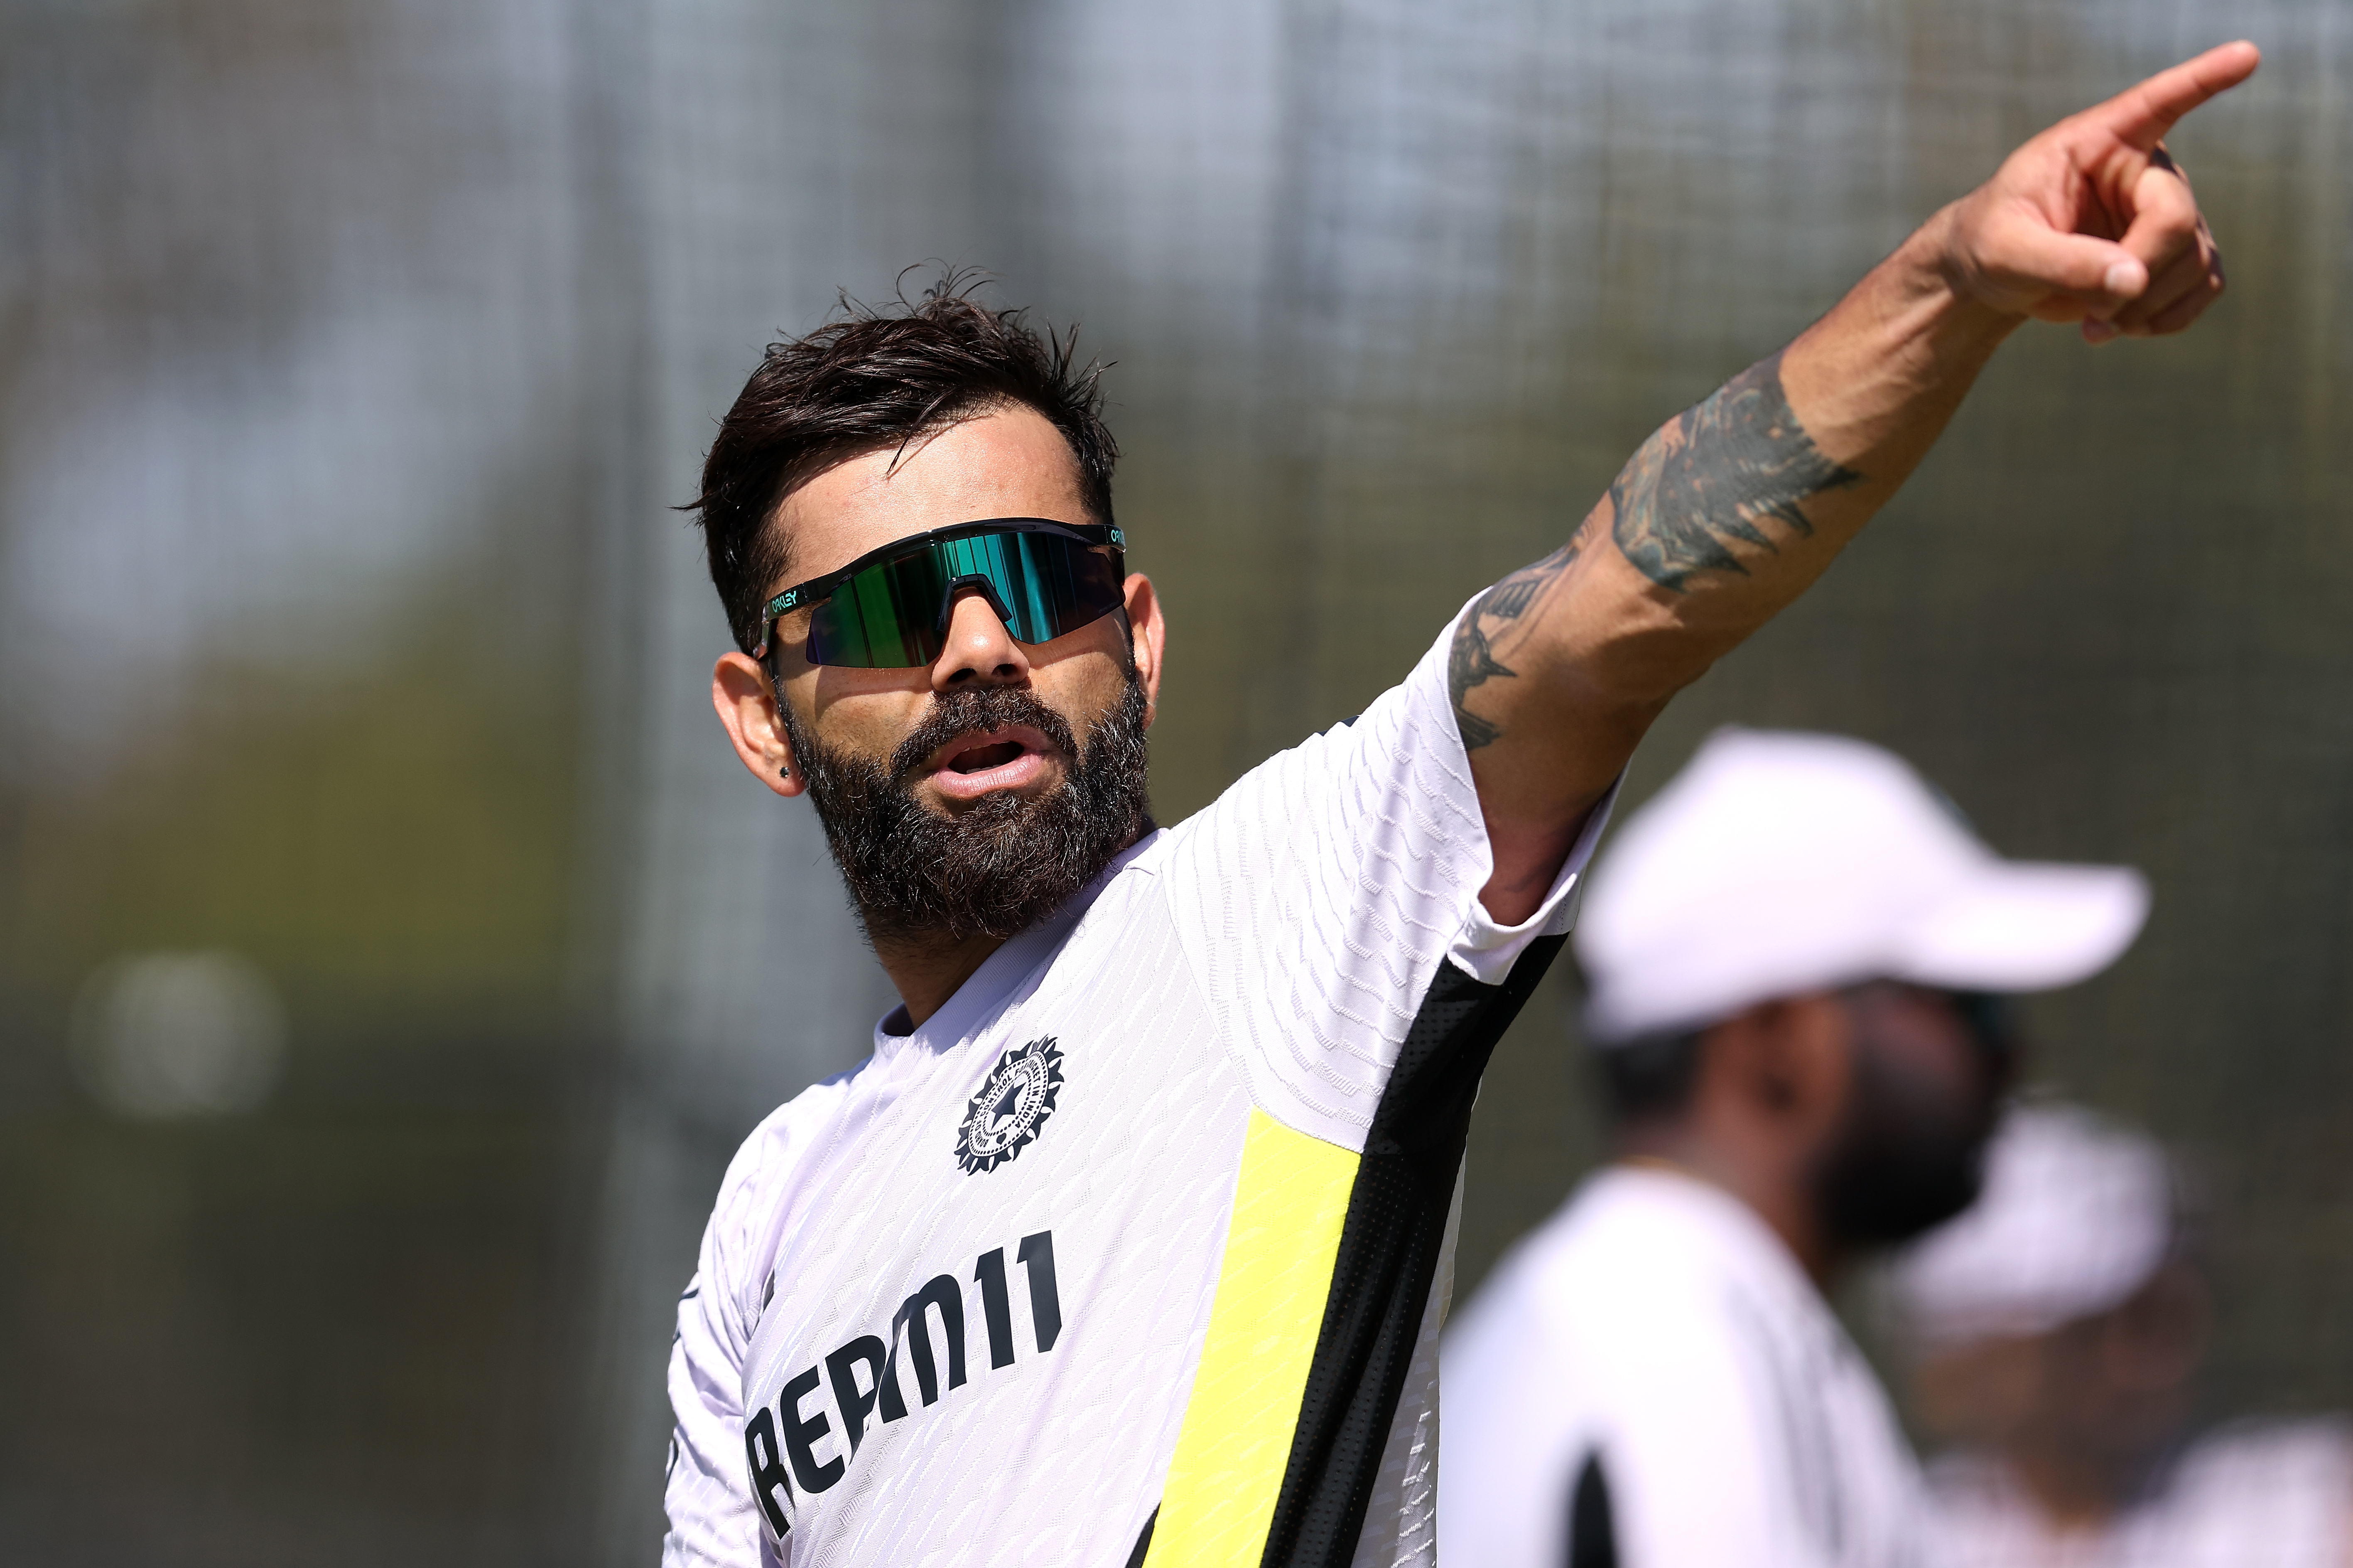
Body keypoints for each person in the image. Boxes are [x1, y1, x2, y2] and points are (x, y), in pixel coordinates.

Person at [660, 42, 2257, 1568]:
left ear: (1136, 635)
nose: (984, 646)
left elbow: (1610, 606)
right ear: (761, 720)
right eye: (886, 613)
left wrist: (1954, 283)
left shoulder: (1284, 904)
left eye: (1041, 580)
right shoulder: (772, 1213)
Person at [1440, 729, 2152, 1568]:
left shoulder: (1705, 1320)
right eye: (1970, 1002)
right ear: (1781, 1043)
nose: (2008, 1052)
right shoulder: (1670, 1353)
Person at [1891, 1102, 2353, 1568]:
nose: (2146, 1356)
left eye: (2154, 1310)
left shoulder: (2299, 1502)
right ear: (1972, 1358)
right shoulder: (1901, 1533)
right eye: (2086, 1332)